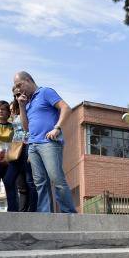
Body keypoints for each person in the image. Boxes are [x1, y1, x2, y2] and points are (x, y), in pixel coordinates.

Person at [12, 71, 76, 213]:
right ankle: (45, 215)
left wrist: (57, 128)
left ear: (28, 80)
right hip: (33, 146)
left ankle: (69, 214)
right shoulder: (27, 103)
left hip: (49, 143)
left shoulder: (45, 92)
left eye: (19, 85)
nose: (17, 89)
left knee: (56, 178)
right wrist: (22, 106)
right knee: (40, 183)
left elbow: (66, 108)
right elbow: (26, 127)